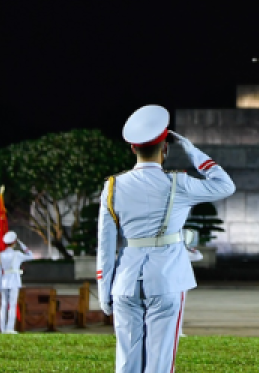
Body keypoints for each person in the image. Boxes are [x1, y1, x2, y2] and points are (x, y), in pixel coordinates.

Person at [97, 104, 235, 373]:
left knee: (126, 363)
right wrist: (193, 151)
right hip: (167, 279)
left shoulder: (112, 187)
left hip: (125, 282)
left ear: (133, 148)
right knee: (160, 363)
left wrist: (105, 291)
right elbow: (225, 185)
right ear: (166, 148)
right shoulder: (179, 183)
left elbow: (105, 245)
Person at [0, 231, 35, 333]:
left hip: (4, 281)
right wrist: (23, 245)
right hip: (14, 281)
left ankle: (2, 328)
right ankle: (10, 328)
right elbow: (31, 256)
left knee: (3, 305)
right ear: (14, 242)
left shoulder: (0, 255)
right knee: (12, 305)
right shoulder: (17, 254)